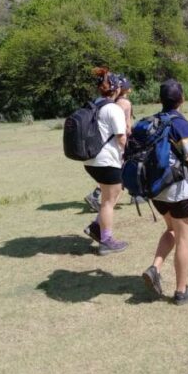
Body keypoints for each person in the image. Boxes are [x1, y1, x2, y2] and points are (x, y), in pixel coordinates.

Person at [141, 80, 188, 305]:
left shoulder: (153, 121)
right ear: (182, 99)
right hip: (178, 189)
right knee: (184, 238)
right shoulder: (181, 124)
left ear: (160, 99)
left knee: (172, 229)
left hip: (157, 191)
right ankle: (181, 291)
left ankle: (155, 268)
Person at [81, 67, 129, 255]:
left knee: (113, 195)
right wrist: (129, 155)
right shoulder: (113, 109)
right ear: (116, 89)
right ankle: (106, 240)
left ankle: (96, 227)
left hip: (91, 160)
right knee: (109, 200)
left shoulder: (94, 105)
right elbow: (121, 137)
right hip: (107, 160)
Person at [83, 74, 136, 211]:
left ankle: (96, 196)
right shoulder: (124, 104)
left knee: (111, 178)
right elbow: (127, 126)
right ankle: (136, 194)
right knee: (122, 172)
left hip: (95, 151)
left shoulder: (98, 103)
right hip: (113, 146)